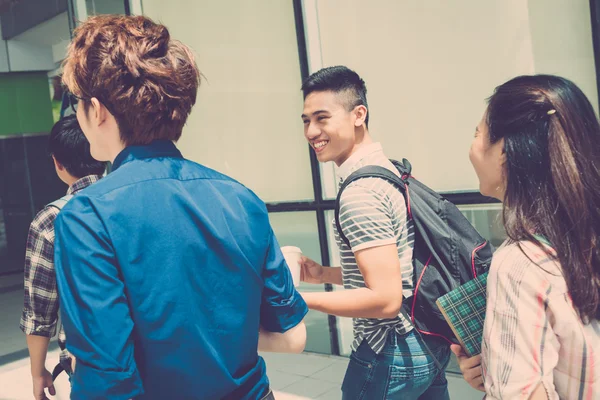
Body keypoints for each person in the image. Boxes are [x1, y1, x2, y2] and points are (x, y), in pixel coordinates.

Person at [55, 15, 308, 400]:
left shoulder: (87, 216)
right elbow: (288, 331)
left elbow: (109, 381)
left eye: (75, 104)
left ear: (97, 109)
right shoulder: (242, 199)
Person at [299, 66, 450, 399]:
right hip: (427, 341)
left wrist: (297, 300)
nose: (311, 131)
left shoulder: (361, 192)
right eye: (306, 120)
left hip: (390, 349)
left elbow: (385, 299)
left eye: (322, 118)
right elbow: (398, 270)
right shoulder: (388, 170)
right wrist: (324, 274)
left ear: (358, 114)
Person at [454, 74, 600, 399]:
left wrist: (505, 381)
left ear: (504, 150)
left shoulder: (520, 265)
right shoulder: (584, 239)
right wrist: (501, 365)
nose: (472, 147)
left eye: (478, 134)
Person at [20, 114, 106, 400]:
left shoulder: (50, 220)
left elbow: (39, 311)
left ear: (57, 162)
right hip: (156, 351)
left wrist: (37, 372)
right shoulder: (131, 201)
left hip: (91, 364)